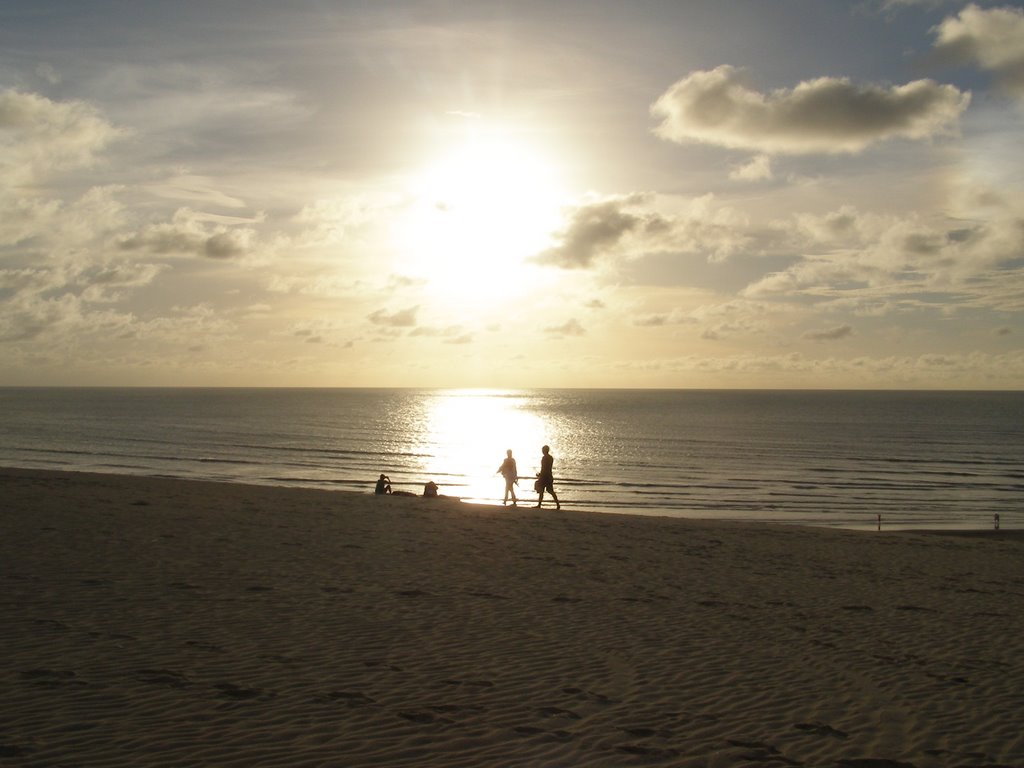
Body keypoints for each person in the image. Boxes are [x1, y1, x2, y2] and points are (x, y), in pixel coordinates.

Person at [535, 444, 560, 510]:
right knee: (550, 491)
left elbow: (544, 468)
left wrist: (540, 475)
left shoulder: (544, 458)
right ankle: (557, 504)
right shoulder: (550, 458)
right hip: (549, 475)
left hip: (545, 476)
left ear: (544, 450)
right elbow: (548, 468)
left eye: (543, 450)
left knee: (541, 490)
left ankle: (539, 505)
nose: (542, 451)